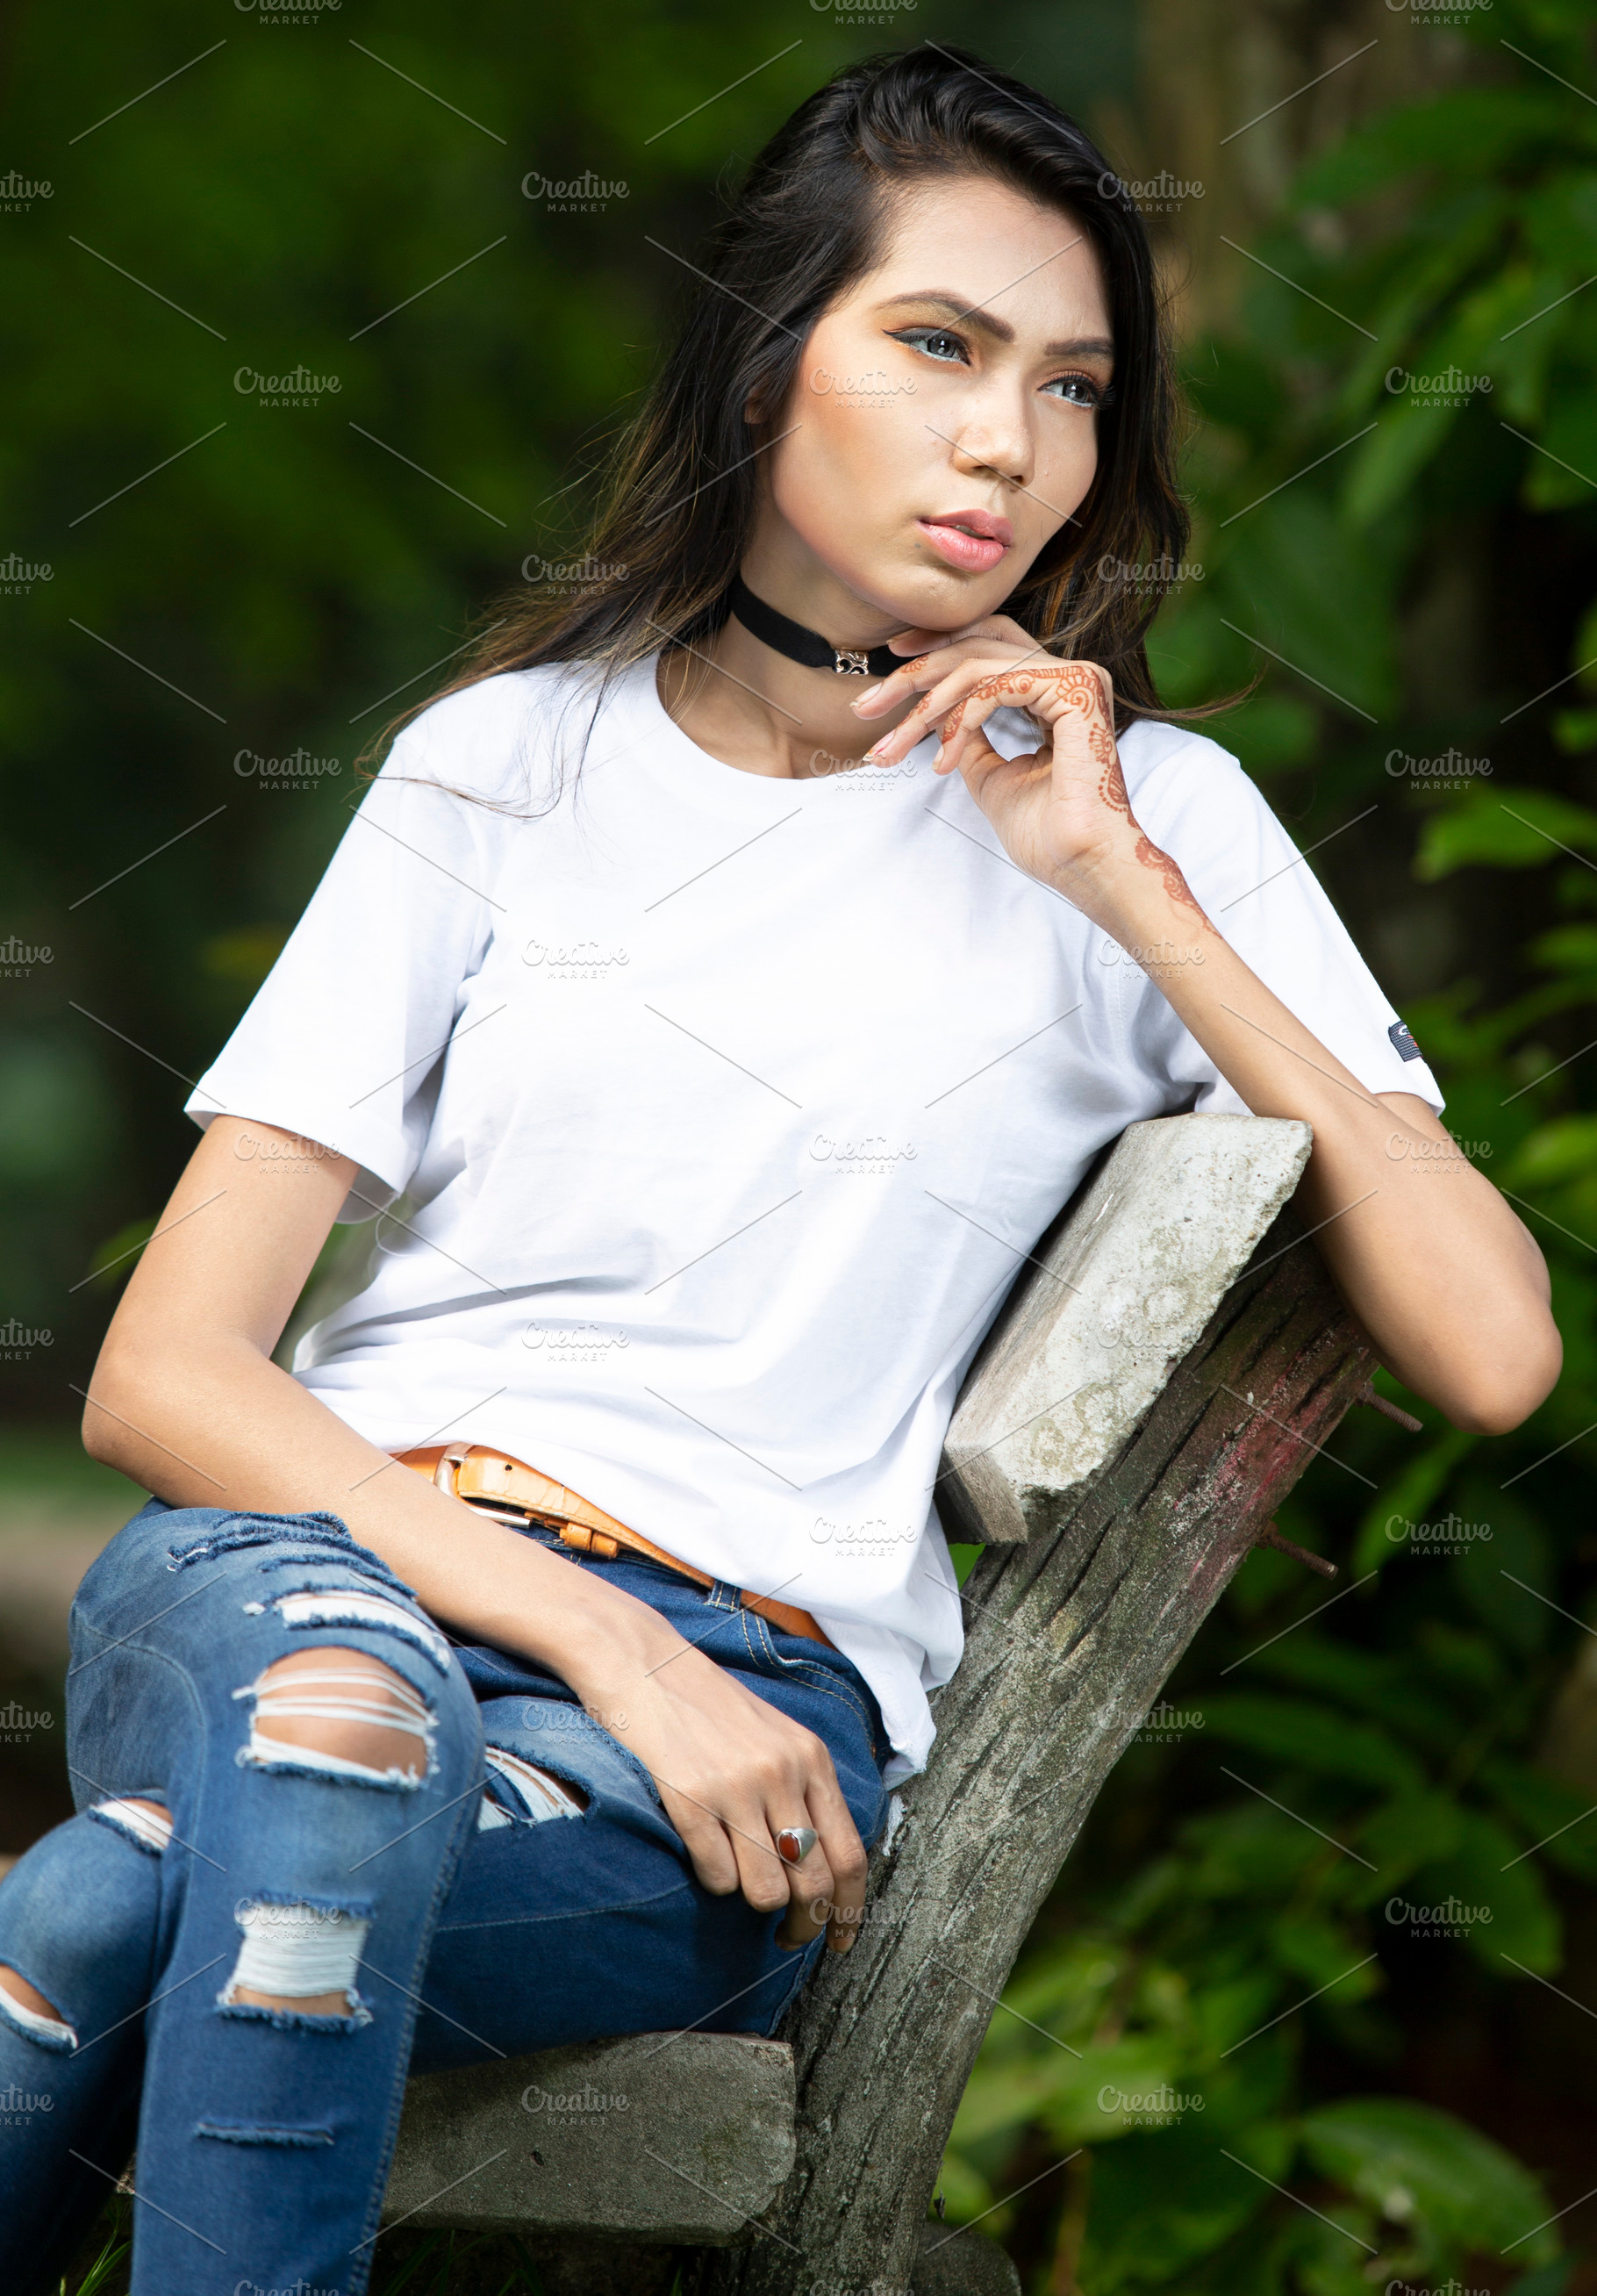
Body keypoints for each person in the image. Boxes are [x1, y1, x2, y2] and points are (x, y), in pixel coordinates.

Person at [0, 44, 1558, 2296]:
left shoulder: (1161, 819)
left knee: (86, 1909)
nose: (1007, 443)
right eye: (935, 345)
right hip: (327, 1588)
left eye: (1073, 386)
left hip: (721, 1770)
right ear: (763, 363)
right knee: (337, 1729)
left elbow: (1496, 1347)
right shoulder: (502, 768)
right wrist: (617, 1652)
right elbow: (165, 1378)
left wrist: (1121, 887)